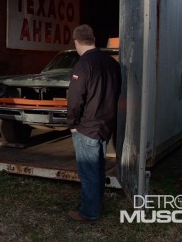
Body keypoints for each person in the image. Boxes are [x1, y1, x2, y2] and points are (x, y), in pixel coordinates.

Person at [66, 25, 121, 222]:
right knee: (98, 169)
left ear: (76, 42)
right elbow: (117, 93)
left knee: (88, 171)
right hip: (105, 126)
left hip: (87, 127)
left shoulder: (83, 65)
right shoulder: (112, 63)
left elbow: (75, 98)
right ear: (93, 39)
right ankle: (95, 203)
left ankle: (89, 213)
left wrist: (72, 122)